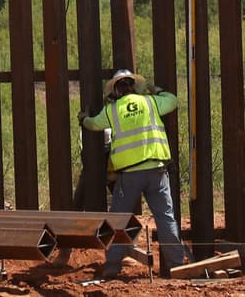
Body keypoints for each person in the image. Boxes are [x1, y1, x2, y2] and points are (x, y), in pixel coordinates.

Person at [81, 69, 188, 279]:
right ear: (134, 85)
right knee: (166, 218)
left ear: (115, 90)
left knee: (118, 221)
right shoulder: (151, 102)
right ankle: (176, 266)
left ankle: (112, 267)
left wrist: (83, 119)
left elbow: (94, 124)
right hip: (156, 170)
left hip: (129, 176)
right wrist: (156, 89)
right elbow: (173, 100)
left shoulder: (112, 110)